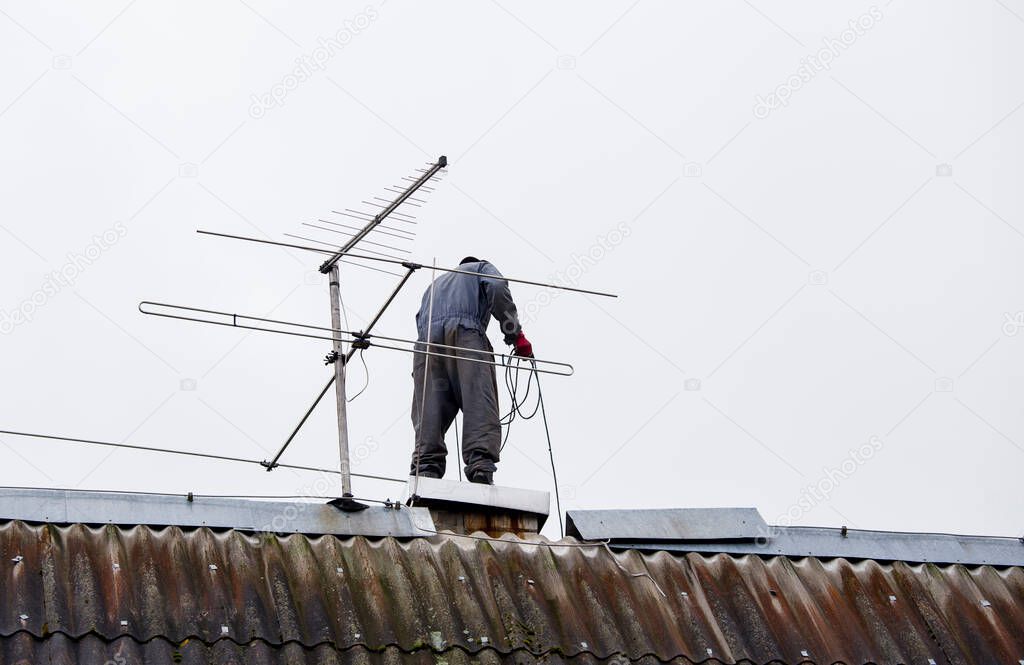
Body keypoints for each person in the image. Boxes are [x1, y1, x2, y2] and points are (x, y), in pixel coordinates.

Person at [409, 257, 533, 485]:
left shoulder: (433, 286)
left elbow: (419, 319)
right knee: (478, 399)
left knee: (429, 408)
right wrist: (515, 335)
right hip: (465, 334)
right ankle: (480, 467)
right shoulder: (480, 268)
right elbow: (496, 286)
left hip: (425, 344)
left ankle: (426, 471)